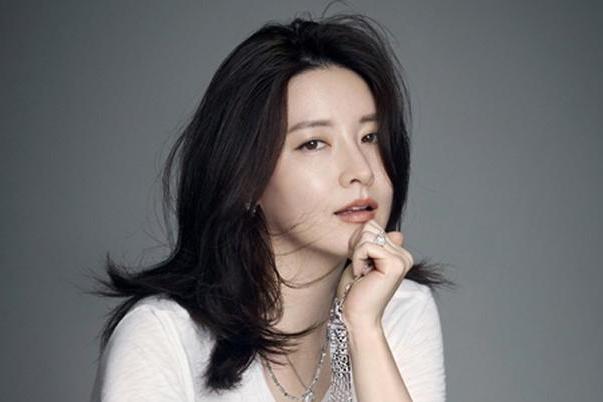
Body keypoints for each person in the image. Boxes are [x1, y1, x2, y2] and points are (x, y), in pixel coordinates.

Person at [89, 10, 455, 402]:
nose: (361, 171)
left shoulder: (398, 308)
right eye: (313, 143)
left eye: (370, 137)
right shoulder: (163, 334)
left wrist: (364, 328)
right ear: (246, 178)